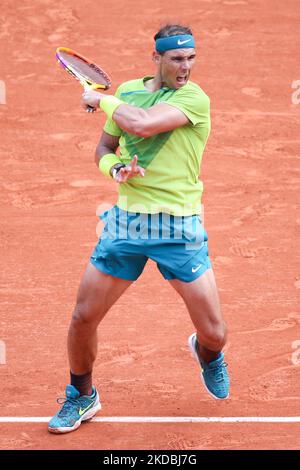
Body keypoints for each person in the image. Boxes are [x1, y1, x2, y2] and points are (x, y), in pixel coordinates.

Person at [48, 24, 230, 434]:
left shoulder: (193, 98)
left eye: (191, 58)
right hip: (127, 224)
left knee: (215, 333)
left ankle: (208, 355)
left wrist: (102, 100)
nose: (185, 67)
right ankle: (82, 394)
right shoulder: (129, 90)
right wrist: (114, 169)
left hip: (179, 227)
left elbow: (143, 125)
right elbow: (105, 148)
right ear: (157, 59)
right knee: (83, 317)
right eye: (176, 59)